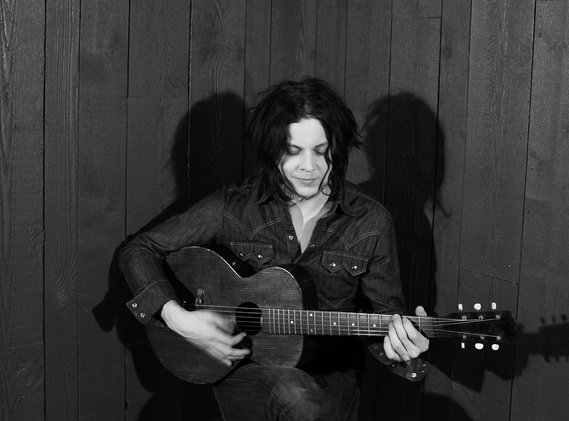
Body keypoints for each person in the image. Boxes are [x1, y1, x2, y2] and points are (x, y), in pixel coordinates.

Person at [119, 78, 429, 421]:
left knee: (310, 404)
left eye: (321, 150)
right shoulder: (235, 207)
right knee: (295, 395)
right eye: (293, 151)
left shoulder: (370, 221)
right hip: (249, 371)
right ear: (272, 149)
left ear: (338, 148)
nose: (309, 166)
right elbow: (138, 250)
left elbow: (386, 320)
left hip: (331, 380)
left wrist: (403, 351)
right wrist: (179, 318)